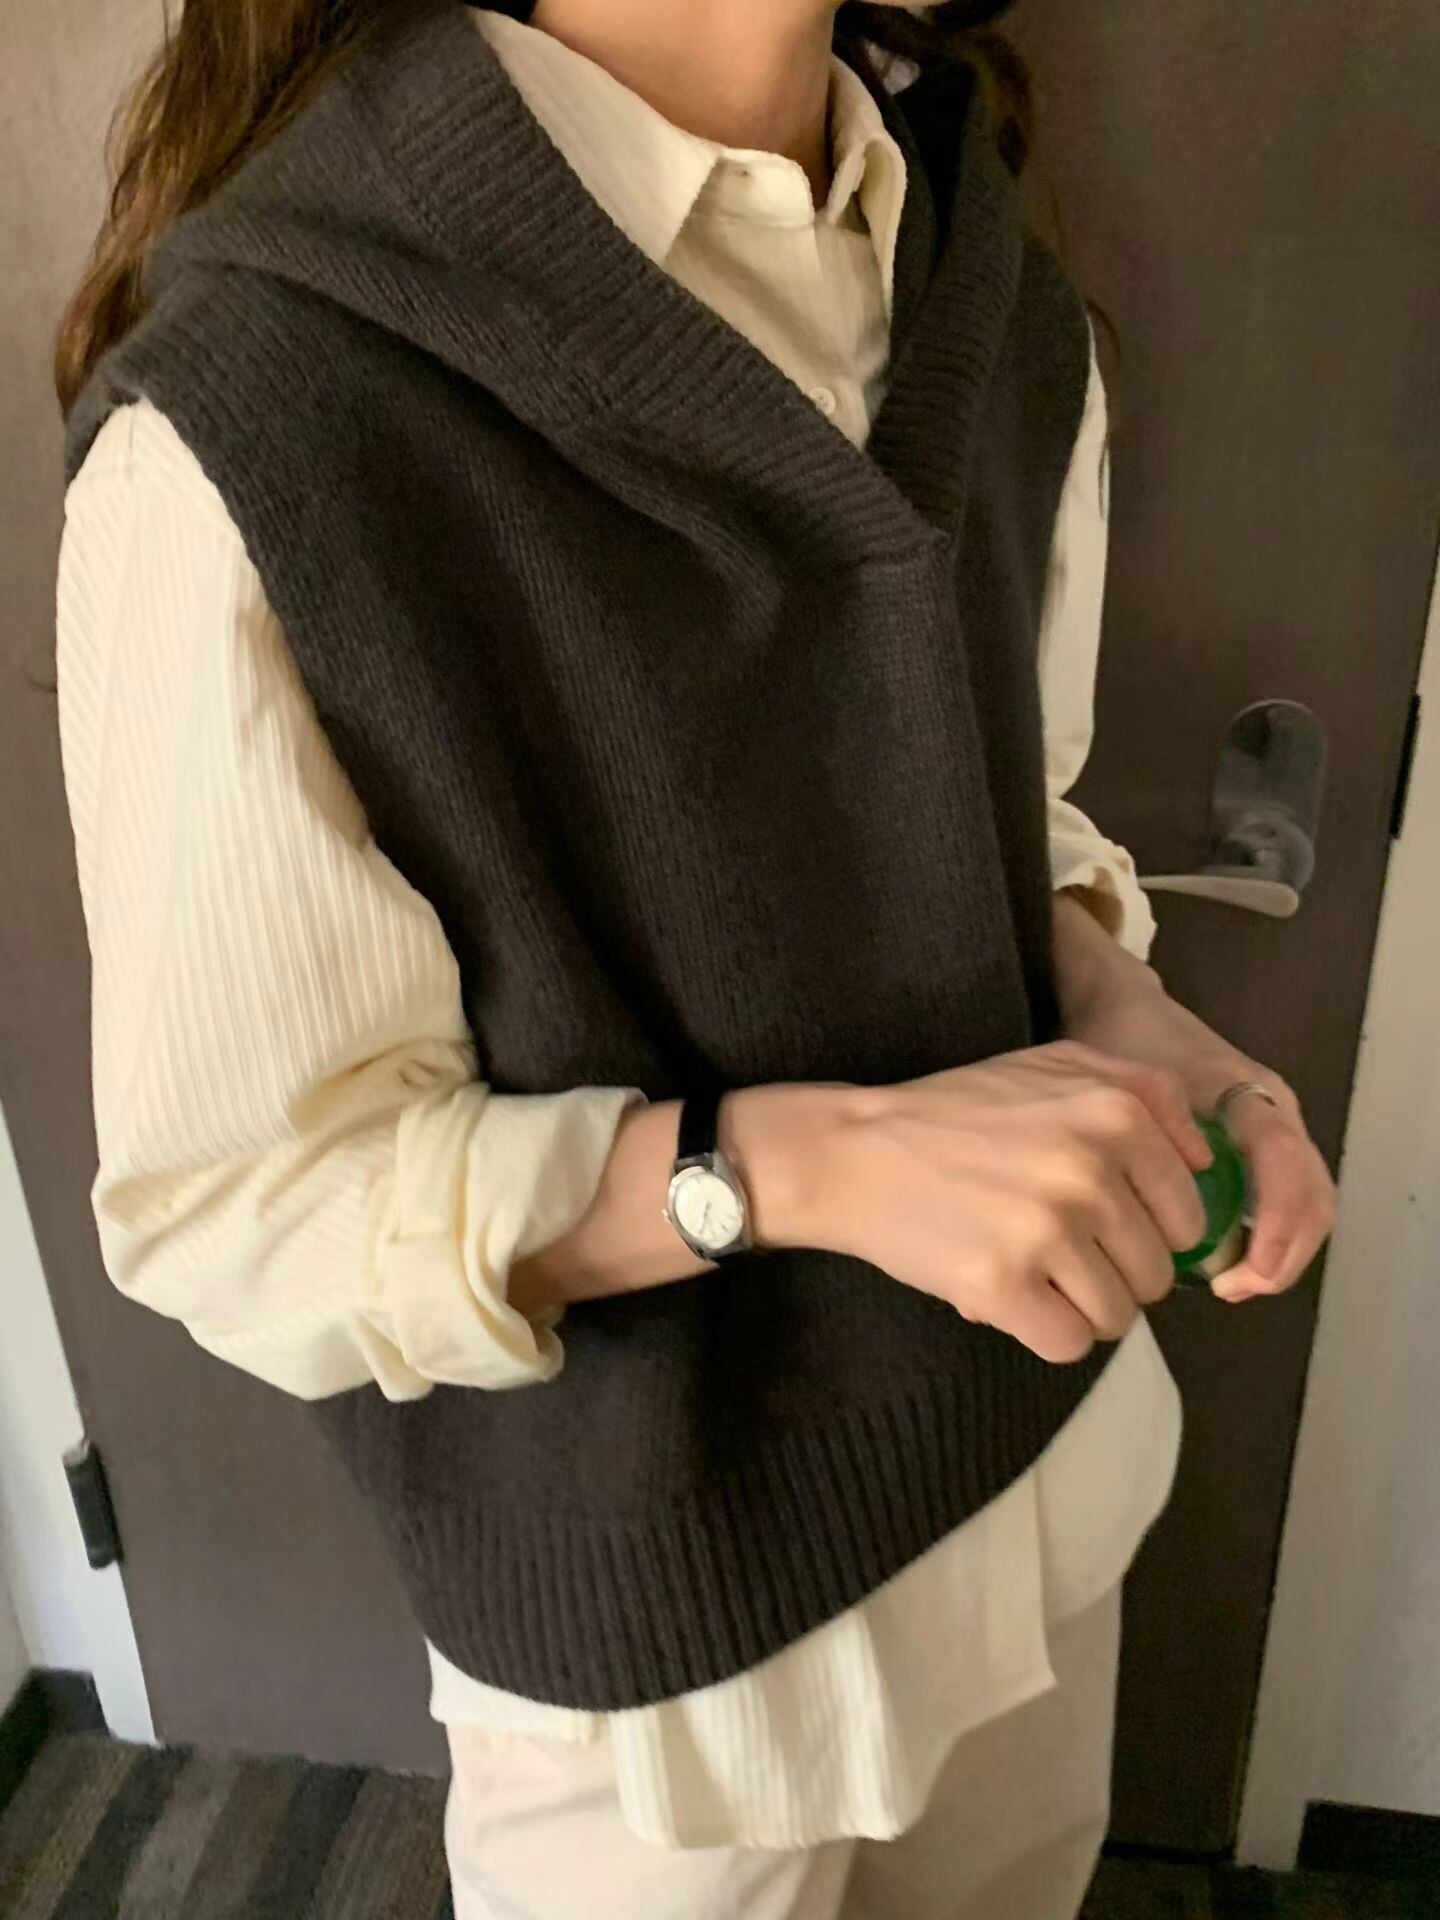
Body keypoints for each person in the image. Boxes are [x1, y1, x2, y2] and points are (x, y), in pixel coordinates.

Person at [53, 1, 1336, 1914]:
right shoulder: (256, 422)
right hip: (673, 1684)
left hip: (1049, 1479)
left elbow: (1014, 817)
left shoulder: (986, 276)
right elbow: (243, 1205)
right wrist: (798, 1170)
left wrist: (1141, 1026)